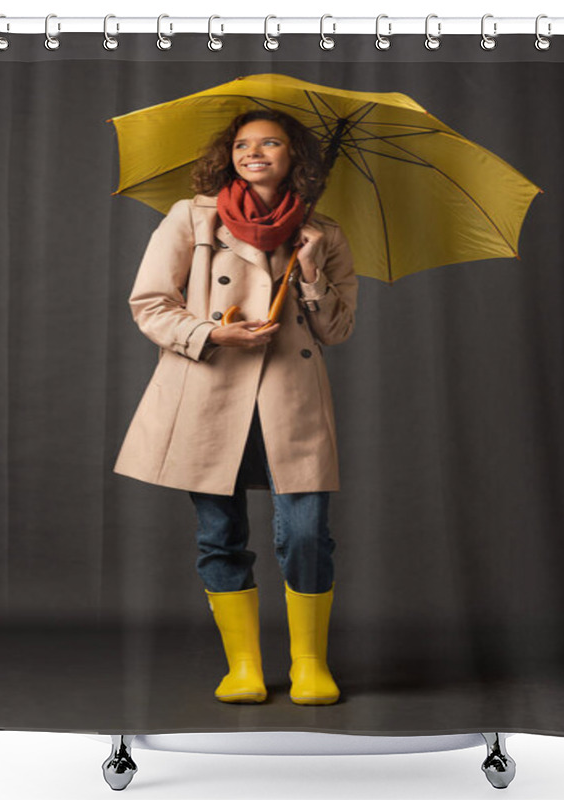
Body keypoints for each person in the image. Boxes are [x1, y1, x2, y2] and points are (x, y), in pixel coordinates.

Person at [113, 109, 358, 706]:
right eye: (243, 144)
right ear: (228, 155)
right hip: (209, 390)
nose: (254, 152)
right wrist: (212, 335)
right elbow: (149, 303)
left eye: (270, 142)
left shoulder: (322, 232)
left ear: (293, 157)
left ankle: (309, 665)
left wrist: (308, 269)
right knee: (219, 533)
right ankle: (243, 666)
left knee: (306, 533)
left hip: (289, 397)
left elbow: (338, 328)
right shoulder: (190, 217)